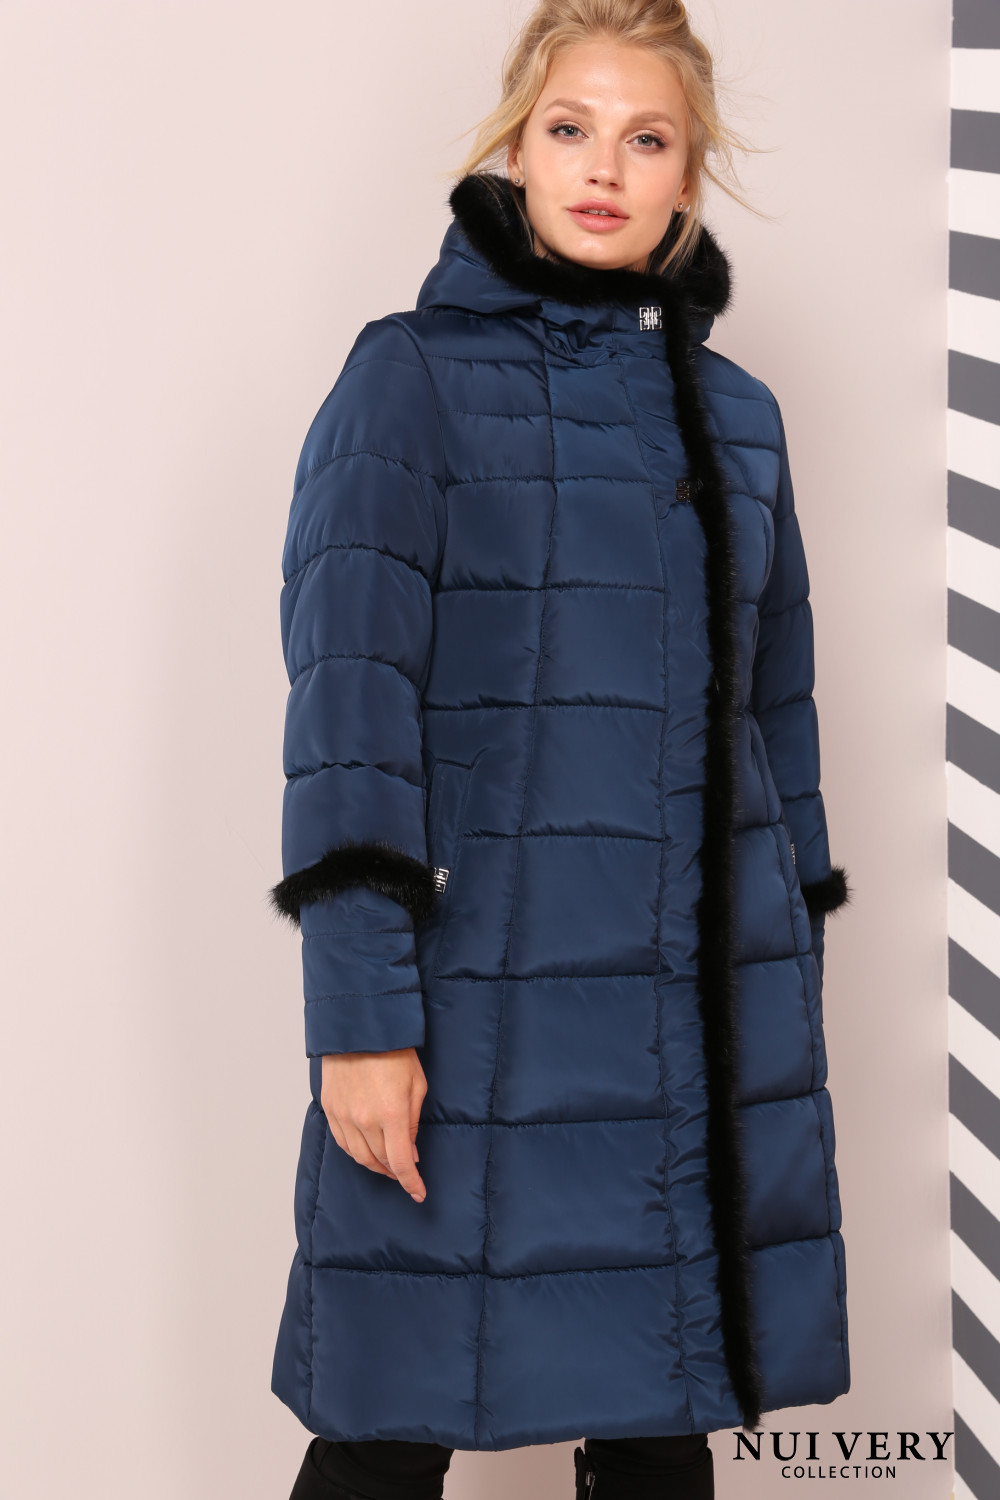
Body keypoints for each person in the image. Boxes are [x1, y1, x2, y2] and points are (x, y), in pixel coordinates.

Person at [267, 2, 853, 1496]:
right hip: (470, 1015)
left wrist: (789, 978)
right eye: (570, 128)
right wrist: (358, 1020)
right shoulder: (408, 379)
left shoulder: (741, 420)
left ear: (688, 175)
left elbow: (777, 720)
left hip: (686, 1026)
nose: (604, 167)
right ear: (516, 151)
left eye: (647, 138)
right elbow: (349, 713)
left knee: (662, 1440)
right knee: (386, 1432)